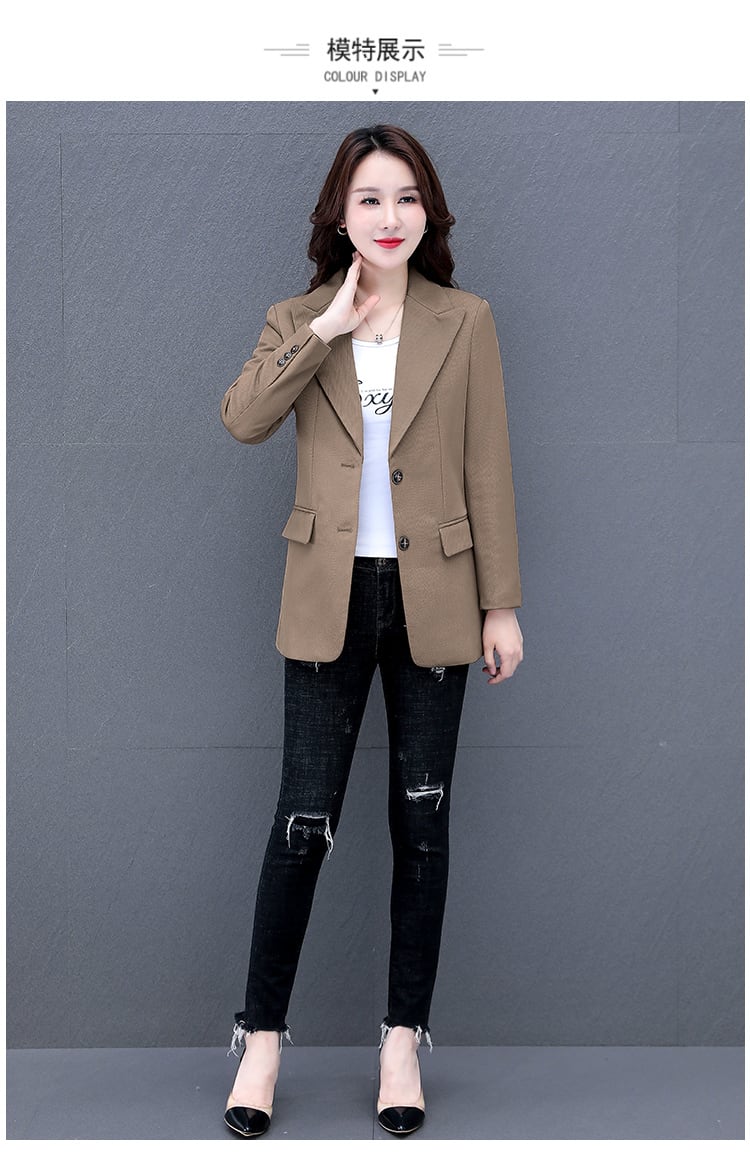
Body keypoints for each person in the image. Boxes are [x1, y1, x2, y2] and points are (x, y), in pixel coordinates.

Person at [219, 124, 524, 1138]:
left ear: (428, 210)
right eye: (369, 199)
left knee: (422, 825)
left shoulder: (465, 320)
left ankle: (401, 1041)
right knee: (302, 822)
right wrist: (328, 327)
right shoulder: (298, 317)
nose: (390, 216)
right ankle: (262, 1042)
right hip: (328, 597)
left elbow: (488, 464)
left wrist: (501, 602)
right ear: (339, 216)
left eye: (406, 197)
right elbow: (242, 418)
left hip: (438, 595)